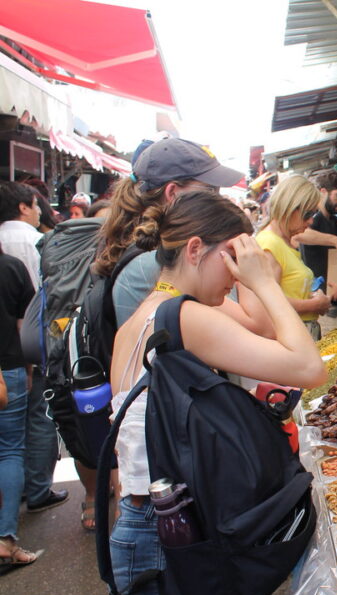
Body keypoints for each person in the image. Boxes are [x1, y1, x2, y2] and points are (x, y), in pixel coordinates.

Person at [109, 190, 324, 595]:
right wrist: (265, 282)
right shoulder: (185, 318)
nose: (235, 276)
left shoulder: (140, 320)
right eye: (231, 260)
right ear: (193, 250)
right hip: (171, 533)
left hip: (143, 520)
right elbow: (309, 368)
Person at [81, 136, 265, 531]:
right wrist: (254, 275)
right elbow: (260, 331)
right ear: (173, 193)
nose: (218, 199)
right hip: (165, 493)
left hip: (155, 486)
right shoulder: (158, 270)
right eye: (209, 190)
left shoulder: (148, 257)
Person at [0, 182, 66, 513]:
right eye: (36, 205)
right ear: (24, 207)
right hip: (26, 347)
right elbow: (36, 302)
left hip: (9, 352)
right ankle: (37, 488)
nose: (40, 211)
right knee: (37, 416)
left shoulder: (5, 239)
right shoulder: (35, 240)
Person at [0, 245, 41, 567]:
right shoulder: (11, 267)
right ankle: (5, 539)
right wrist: (28, 370)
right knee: (10, 450)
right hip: (8, 367)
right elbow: (21, 326)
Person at [255, 175, 331, 339]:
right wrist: (314, 304)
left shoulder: (283, 242)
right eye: (307, 214)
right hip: (292, 336)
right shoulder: (269, 244)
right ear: (289, 207)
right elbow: (269, 302)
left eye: (314, 214)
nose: (311, 221)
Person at [297, 169, 337, 292]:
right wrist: (335, 241)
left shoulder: (334, 220)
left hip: (333, 290)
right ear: (323, 192)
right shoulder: (312, 216)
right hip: (316, 290)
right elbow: (299, 235)